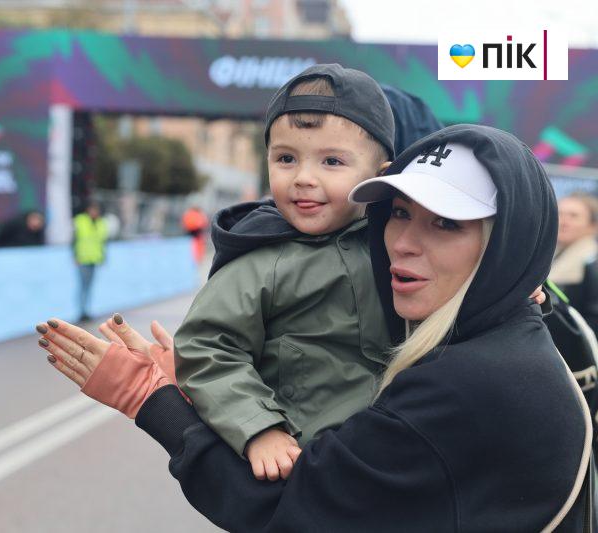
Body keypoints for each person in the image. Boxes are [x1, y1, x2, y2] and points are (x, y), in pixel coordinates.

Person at [36, 125, 591, 531]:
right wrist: (209, 395)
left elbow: (286, 510)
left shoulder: (469, 381)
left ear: (508, 242)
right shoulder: (497, 343)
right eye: (398, 212)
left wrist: (150, 399)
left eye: (447, 224)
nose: (403, 242)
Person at [172, 64, 396, 480]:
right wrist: (259, 427)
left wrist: (500, 291)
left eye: (331, 161)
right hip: (304, 463)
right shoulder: (261, 259)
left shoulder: (401, 244)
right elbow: (206, 345)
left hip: (395, 456)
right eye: (286, 159)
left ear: (380, 177)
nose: (303, 178)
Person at [550, 193, 598, 332]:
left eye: (574, 216)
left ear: (593, 226)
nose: (564, 222)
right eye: (560, 214)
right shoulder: (554, 256)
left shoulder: (592, 263)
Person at [72, 202, 108, 322]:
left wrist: (103, 257)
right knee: (83, 286)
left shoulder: (101, 223)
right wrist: (75, 256)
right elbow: (74, 240)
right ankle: (81, 311)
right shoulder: (80, 221)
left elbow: (102, 242)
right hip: (82, 259)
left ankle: (86, 310)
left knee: (89, 286)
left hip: (94, 259)